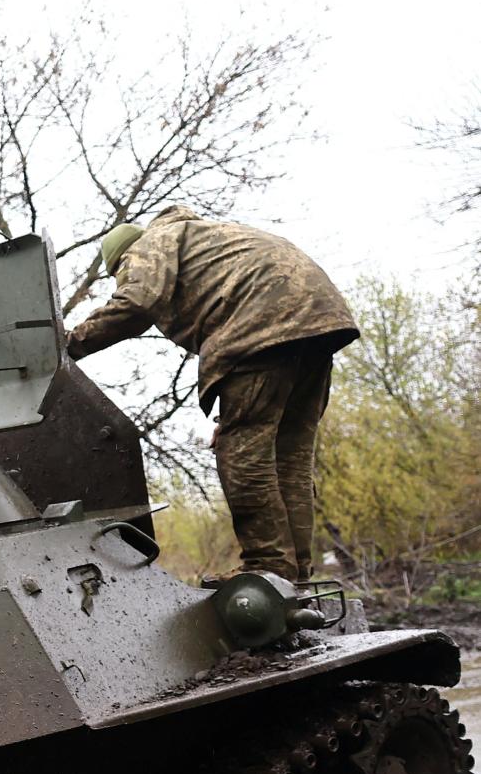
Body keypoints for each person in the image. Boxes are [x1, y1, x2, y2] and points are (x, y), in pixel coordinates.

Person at [66, 207, 359, 582]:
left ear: (123, 258)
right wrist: (228, 418)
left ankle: (268, 568)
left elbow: (137, 303)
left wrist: (70, 344)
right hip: (317, 322)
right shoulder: (203, 237)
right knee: (290, 460)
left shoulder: (149, 244)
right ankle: (295, 574)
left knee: (243, 454)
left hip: (261, 325)